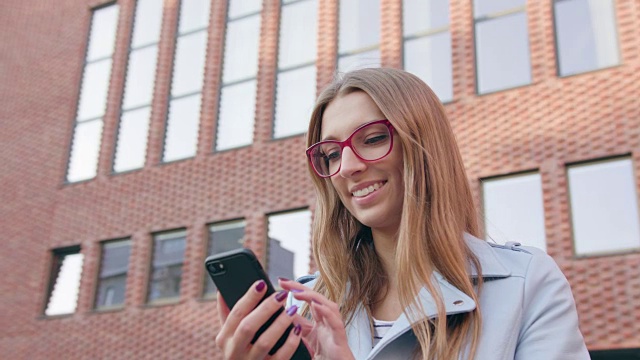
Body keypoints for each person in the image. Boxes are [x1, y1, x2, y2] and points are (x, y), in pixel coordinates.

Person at [215, 68, 590, 359]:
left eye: (373, 138)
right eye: (330, 153)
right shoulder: (300, 306)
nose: (346, 166)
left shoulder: (526, 285)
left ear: (423, 146)